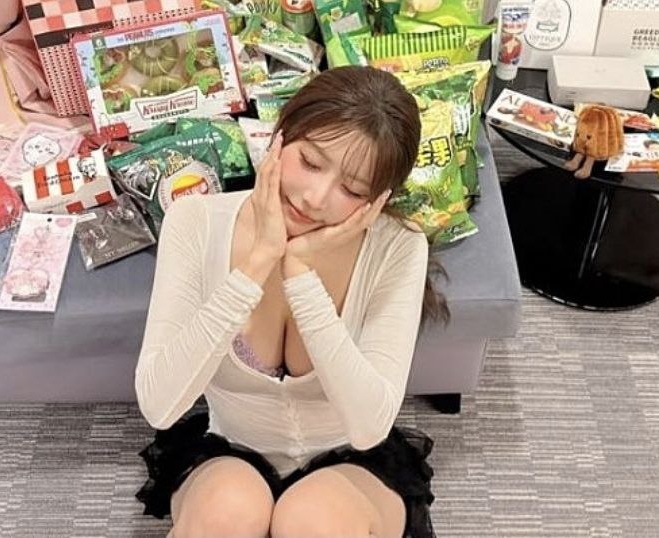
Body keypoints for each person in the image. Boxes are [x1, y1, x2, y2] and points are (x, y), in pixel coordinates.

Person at [135, 65, 444, 538]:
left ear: (378, 200)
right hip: (231, 451)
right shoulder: (195, 221)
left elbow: (368, 427)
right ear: (280, 136)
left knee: (311, 520)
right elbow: (160, 405)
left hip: (352, 464)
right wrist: (259, 261)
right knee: (229, 511)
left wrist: (300, 272)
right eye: (311, 162)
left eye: (352, 189)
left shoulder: (397, 247)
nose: (315, 198)